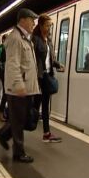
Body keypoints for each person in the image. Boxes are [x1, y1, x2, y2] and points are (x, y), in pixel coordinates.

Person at [0, 8, 40, 163]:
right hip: (19, 89)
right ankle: (18, 153)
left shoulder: (25, 38)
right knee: (20, 121)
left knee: (22, 118)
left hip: (26, 88)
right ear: (23, 20)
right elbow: (13, 65)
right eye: (31, 20)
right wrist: (18, 85)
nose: (34, 23)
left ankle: (3, 133)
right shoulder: (15, 38)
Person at [32, 14, 64, 143]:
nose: (49, 28)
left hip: (47, 76)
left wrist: (58, 64)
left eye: (50, 25)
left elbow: (51, 58)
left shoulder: (49, 40)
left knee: (45, 106)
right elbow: (32, 59)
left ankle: (46, 133)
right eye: (47, 25)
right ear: (40, 25)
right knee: (34, 106)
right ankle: (10, 130)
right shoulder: (35, 40)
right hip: (38, 77)